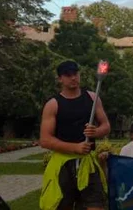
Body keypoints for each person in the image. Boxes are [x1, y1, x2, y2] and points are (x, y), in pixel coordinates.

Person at [39, 60, 110, 210]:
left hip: (87, 164)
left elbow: (106, 126)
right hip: (63, 166)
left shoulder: (92, 98)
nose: (73, 78)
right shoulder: (53, 104)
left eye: (75, 74)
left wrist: (96, 132)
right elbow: (45, 140)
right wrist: (75, 148)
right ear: (60, 79)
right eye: (68, 75)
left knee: (96, 206)